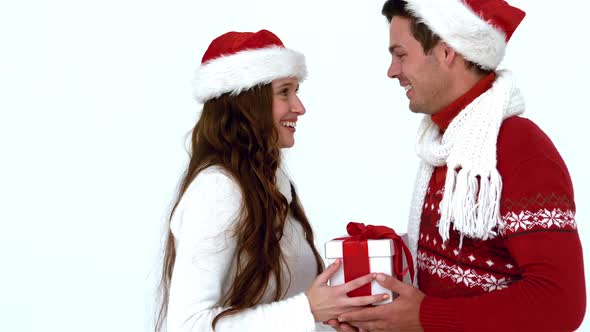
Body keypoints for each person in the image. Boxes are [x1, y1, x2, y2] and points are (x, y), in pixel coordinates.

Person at [327, 1, 586, 331]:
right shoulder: (447, 145)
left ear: (446, 52)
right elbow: (467, 259)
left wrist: (424, 317)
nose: (392, 70)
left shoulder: (519, 149)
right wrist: (378, 293)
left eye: (401, 54)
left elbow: (560, 303)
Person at [154, 29, 388, 332]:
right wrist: (308, 309)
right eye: (284, 92)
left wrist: (333, 320)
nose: (299, 107)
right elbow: (187, 325)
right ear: (247, 103)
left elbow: (282, 310)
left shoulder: (273, 187)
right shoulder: (217, 190)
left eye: (296, 90)